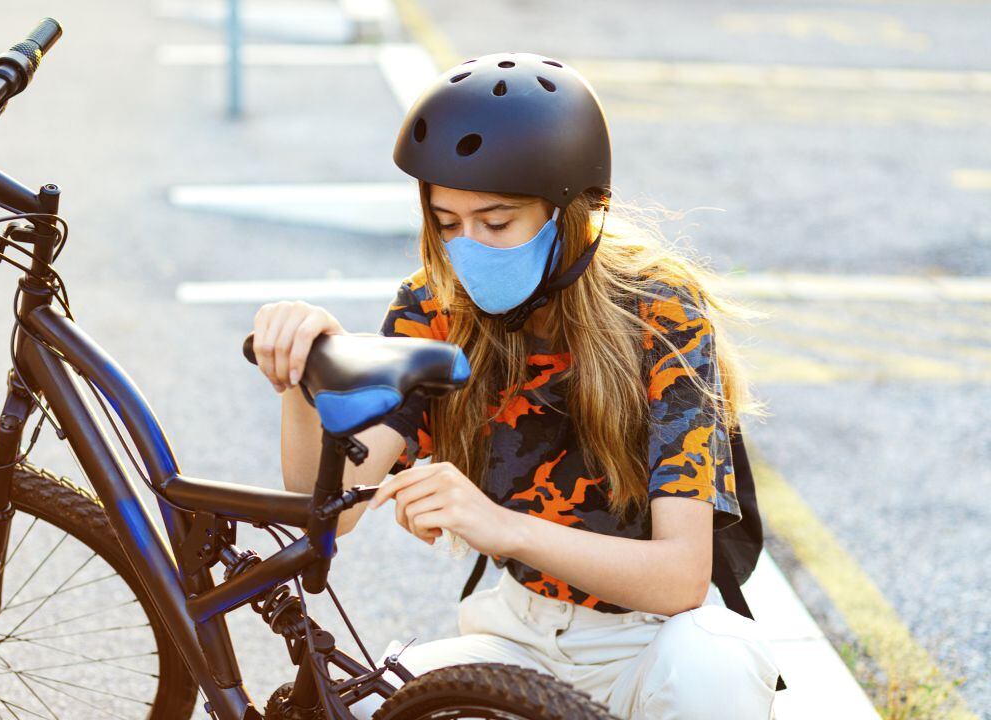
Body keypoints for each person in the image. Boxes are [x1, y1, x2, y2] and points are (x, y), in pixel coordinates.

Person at [253, 52, 781, 720]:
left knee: (717, 662)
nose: (467, 246)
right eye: (447, 223)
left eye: (496, 222)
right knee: (361, 709)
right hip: (515, 632)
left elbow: (681, 577)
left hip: (652, 640)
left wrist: (503, 527)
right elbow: (330, 507)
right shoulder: (432, 310)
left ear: (571, 211)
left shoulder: (659, 308)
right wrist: (307, 371)